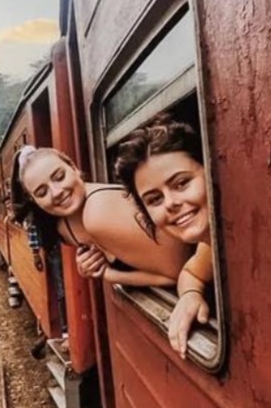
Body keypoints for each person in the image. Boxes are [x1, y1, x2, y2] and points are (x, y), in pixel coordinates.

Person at [11, 145, 190, 288]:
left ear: (73, 167)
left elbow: (179, 274)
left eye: (59, 177)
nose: (56, 192)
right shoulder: (65, 228)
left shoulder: (97, 211)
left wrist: (108, 274)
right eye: (42, 192)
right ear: (35, 201)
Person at [114, 113, 212, 358]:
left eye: (181, 183)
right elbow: (191, 273)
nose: (171, 203)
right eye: (154, 199)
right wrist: (190, 295)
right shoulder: (210, 246)